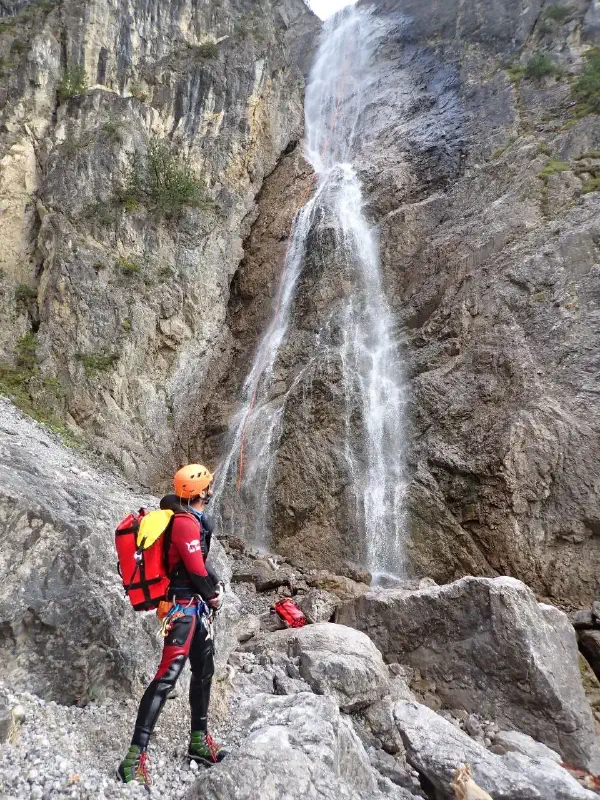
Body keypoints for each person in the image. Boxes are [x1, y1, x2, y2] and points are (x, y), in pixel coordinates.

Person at [117, 464, 227, 787]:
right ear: (199, 492)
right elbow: (194, 569)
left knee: (204, 670)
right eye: (207, 485)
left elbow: (201, 565)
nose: (211, 489)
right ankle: (133, 759)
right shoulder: (183, 524)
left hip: (194, 609)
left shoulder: (191, 521)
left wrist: (214, 584)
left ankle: (198, 740)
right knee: (166, 678)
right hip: (183, 610)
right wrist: (214, 596)